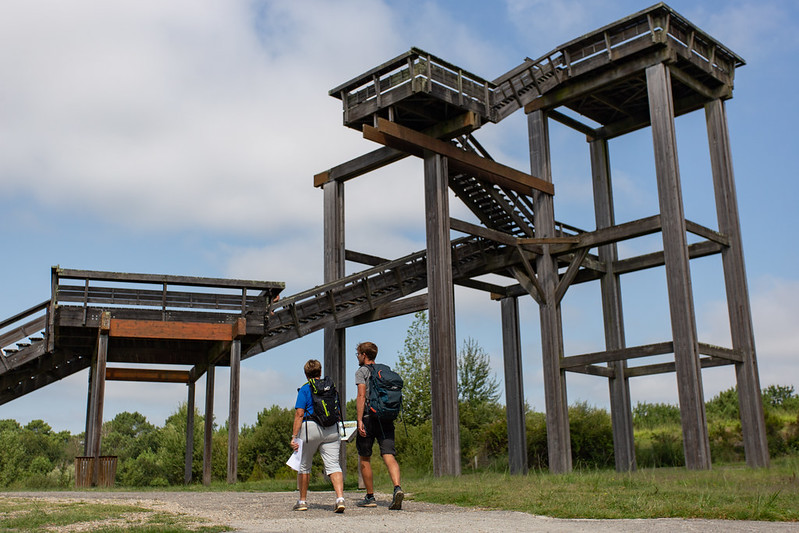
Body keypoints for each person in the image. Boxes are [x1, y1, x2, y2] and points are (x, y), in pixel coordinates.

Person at [291, 359, 345, 513]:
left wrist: (294, 436)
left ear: (306, 374)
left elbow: (299, 414)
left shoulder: (305, 389)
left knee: (304, 465)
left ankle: (302, 501)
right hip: (331, 428)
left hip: (311, 428)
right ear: (320, 372)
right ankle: (340, 498)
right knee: (334, 465)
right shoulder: (330, 388)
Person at [355, 341, 404, 510]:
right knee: (389, 455)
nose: (358, 357)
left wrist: (359, 420)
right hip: (386, 417)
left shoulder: (361, 371)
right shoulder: (385, 369)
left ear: (364, 355)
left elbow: (361, 396)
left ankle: (370, 497)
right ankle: (397, 487)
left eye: (358, 354)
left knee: (365, 457)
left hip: (369, 416)